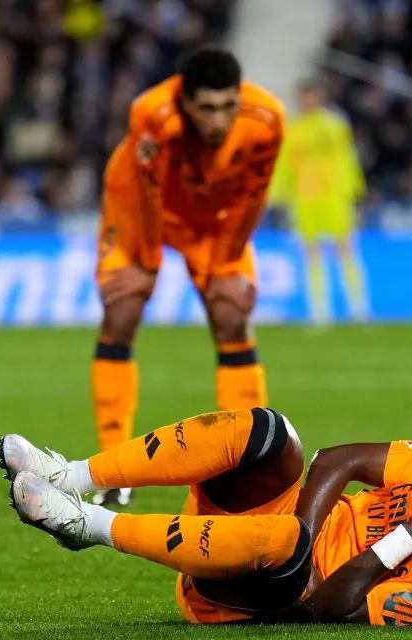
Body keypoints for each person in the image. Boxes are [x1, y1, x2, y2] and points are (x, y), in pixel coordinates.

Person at [0, 408, 412, 625]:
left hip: (254, 587)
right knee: (272, 434)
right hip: (290, 520)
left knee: (284, 545)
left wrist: (408, 537)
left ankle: (85, 525)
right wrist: (307, 525)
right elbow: (339, 458)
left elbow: (330, 609)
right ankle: (72, 474)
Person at [90, 47, 285, 506]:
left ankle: (248, 459)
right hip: (138, 206)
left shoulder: (268, 118)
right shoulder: (152, 114)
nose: (219, 121)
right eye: (206, 109)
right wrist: (148, 267)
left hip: (213, 213)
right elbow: (146, 195)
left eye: (227, 106)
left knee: (232, 313)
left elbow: (254, 196)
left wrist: (225, 264)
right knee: (123, 308)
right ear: (185, 103)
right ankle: (113, 464)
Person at [270, 78, 368, 326]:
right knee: (311, 252)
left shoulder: (334, 126)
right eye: (304, 96)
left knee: (345, 248)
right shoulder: (293, 130)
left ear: (320, 97)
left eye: (312, 95)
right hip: (304, 197)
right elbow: (285, 165)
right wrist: (278, 193)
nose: (308, 101)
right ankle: (319, 312)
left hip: (333, 194)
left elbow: (346, 157)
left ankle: (359, 308)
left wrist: (354, 188)